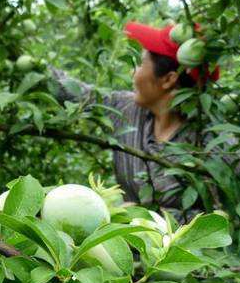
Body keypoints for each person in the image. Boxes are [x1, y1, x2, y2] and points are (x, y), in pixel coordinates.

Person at [49, 22, 223, 221]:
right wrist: (26, 59)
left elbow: (220, 217)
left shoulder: (211, 141)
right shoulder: (125, 109)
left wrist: (144, 217)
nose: (134, 73)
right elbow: (72, 91)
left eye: (141, 64)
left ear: (168, 79)